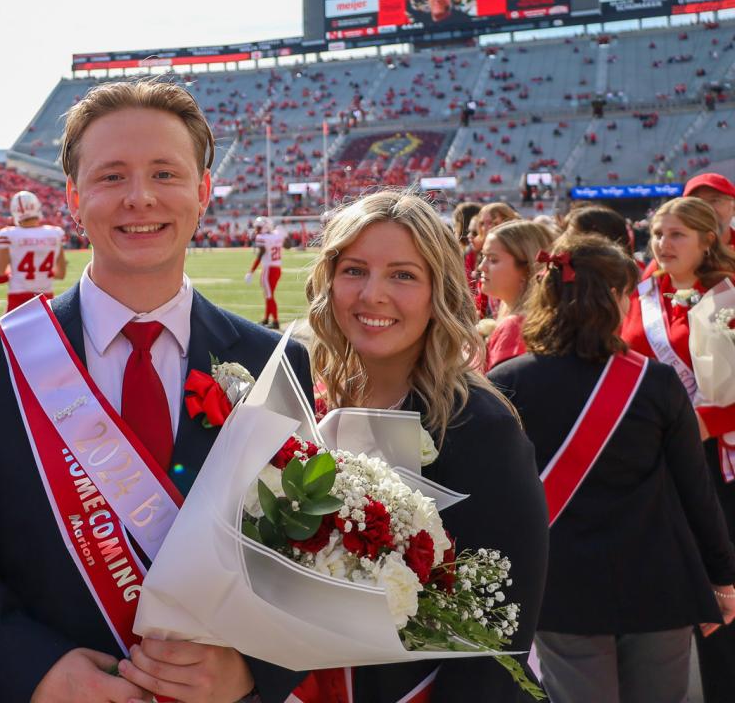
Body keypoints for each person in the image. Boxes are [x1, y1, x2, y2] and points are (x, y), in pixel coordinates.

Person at [0, 80, 312, 703]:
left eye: (164, 173)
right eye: (111, 176)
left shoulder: (275, 361)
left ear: (203, 191)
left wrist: (252, 670)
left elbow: (304, 554)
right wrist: (37, 670)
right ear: (73, 196)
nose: (139, 198)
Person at [297, 190, 547, 702]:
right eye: (354, 270)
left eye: (403, 275)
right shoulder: (309, 403)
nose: (372, 294)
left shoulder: (480, 426)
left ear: (440, 291)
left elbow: (498, 637)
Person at [491, 233, 735, 703]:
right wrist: (722, 575)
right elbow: (694, 489)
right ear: (618, 299)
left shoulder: (506, 381)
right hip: (656, 580)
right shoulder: (657, 383)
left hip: (559, 584)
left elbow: (499, 498)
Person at [619, 195, 735, 701]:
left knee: (720, 581)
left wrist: (709, 422)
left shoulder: (729, 294)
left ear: (708, 239)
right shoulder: (643, 294)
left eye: (676, 235)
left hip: (716, 458)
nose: (662, 244)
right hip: (655, 460)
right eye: (657, 234)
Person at [479, 220, 553, 370]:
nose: (482, 267)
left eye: (493, 259)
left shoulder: (515, 327)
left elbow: (496, 389)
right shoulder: (528, 315)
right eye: (483, 257)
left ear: (527, 270)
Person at [0, 189, 67, 312]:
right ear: (37, 207)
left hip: (17, 300)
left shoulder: (8, 234)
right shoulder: (55, 233)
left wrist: (15, 274)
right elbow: (61, 274)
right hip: (45, 299)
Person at [246, 215, 285, 328]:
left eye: (258, 227)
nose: (256, 230)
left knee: (269, 295)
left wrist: (251, 271)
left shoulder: (263, 238)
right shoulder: (276, 235)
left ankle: (276, 321)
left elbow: (260, 255)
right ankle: (266, 318)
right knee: (268, 295)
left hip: (269, 269)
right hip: (277, 268)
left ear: (265, 227)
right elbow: (288, 245)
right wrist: (284, 236)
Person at [683, 172, 735, 250]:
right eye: (696, 202)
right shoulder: (672, 251)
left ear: (733, 208)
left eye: (714, 200)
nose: (705, 208)